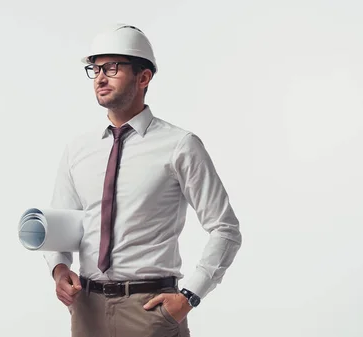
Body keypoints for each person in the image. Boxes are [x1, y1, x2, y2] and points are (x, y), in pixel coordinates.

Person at [43, 23, 242, 337]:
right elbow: (59, 225)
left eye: (112, 68)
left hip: (150, 310)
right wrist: (59, 268)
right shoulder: (78, 149)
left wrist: (190, 295)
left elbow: (225, 228)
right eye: (95, 69)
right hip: (86, 309)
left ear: (144, 77)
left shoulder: (180, 145)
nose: (100, 77)